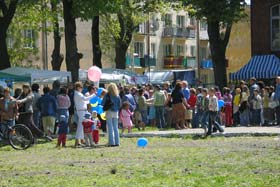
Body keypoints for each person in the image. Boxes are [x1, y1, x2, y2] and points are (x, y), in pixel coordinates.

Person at [74, 82, 95, 147]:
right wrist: (93, 95)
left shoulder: (79, 94)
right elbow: (85, 99)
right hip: (81, 112)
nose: (82, 89)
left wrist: (89, 97)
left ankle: (81, 140)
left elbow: (85, 101)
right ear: (78, 87)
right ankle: (77, 141)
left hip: (83, 111)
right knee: (80, 127)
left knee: (82, 126)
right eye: (81, 87)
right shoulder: (78, 94)